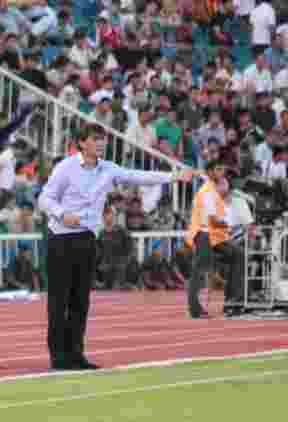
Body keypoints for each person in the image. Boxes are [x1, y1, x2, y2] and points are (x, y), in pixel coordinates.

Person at [38, 124, 197, 371]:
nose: (101, 144)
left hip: (88, 239)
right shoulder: (65, 168)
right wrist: (61, 213)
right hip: (61, 238)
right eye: (96, 139)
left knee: (81, 301)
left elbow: (137, 175)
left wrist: (174, 176)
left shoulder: (108, 169)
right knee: (60, 300)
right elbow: (44, 198)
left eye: (103, 139)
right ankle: (58, 357)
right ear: (82, 143)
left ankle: (76, 354)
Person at [185, 160, 244, 318]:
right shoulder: (207, 191)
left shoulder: (214, 191)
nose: (222, 173)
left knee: (237, 254)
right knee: (200, 271)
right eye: (218, 169)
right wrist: (229, 225)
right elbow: (213, 221)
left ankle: (233, 302)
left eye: (222, 169)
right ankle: (195, 309)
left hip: (213, 236)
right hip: (203, 234)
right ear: (210, 172)